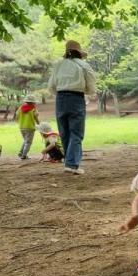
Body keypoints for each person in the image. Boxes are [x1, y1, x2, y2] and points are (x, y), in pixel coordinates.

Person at [47, 40, 96, 175]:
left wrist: (61, 92)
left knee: (64, 132)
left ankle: (69, 162)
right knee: (76, 133)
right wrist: (86, 91)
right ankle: (72, 164)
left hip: (60, 98)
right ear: (79, 53)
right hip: (76, 98)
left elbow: (51, 86)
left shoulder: (58, 65)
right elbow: (91, 85)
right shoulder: (83, 65)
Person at [15, 94, 40, 160]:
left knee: (25, 141)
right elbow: (36, 118)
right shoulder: (33, 109)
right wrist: (39, 124)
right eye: (34, 102)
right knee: (28, 142)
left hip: (22, 127)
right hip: (30, 127)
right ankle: (24, 155)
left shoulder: (20, 108)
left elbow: (17, 116)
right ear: (32, 102)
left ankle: (21, 153)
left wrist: (20, 121)